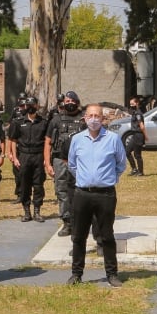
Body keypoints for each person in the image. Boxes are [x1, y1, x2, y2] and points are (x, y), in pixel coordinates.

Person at [66, 103, 127, 287]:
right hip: (82, 194)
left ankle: (112, 274)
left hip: (105, 194)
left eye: (97, 116)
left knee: (107, 235)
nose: (93, 119)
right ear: (85, 118)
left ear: (103, 119)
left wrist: (107, 179)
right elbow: (72, 164)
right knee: (78, 236)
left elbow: (121, 164)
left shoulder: (113, 139)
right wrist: (86, 179)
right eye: (90, 116)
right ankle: (76, 274)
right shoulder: (77, 139)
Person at [44, 90, 87, 235]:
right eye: (67, 101)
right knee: (61, 190)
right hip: (58, 160)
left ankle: (80, 220)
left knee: (79, 190)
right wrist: (48, 164)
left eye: (72, 101)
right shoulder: (56, 119)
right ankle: (67, 222)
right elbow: (48, 142)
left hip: (79, 161)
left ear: (77, 103)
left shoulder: (84, 119)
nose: (69, 103)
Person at [8, 95, 48, 222]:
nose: (30, 107)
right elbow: (13, 140)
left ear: (37, 106)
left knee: (38, 185)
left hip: (38, 156)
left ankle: (37, 211)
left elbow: (48, 142)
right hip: (24, 156)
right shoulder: (18, 122)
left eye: (33, 105)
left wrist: (46, 159)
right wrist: (15, 157)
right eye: (28, 105)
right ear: (25, 106)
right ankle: (26, 212)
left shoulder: (43, 122)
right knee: (24, 184)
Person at [124, 95, 148, 176]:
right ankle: (134, 169)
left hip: (138, 135)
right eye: (130, 104)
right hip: (134, 135)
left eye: (132, 104)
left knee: (137, 155)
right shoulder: (134, 112)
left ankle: (140, 172)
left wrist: (145, 136)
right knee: (127, 152)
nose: (131, 106)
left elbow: (142, 126)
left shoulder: (138, 113)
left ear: (137, 103)